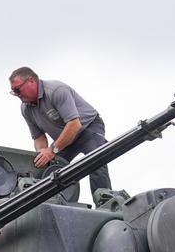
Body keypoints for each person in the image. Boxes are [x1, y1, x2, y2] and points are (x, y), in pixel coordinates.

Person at [8, 67, 112, 203]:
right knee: (49, 170)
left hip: (87, 128)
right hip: (65, 138)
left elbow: (74, 124)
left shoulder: (56, 91)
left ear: (31, 81)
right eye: (13, 92)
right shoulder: (26, 109)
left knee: (96, 159)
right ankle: (56, 204)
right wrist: (42, 153)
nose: (17, 95)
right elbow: (38, 137)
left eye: (17, 90)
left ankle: (105, 202)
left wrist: (52, 150)